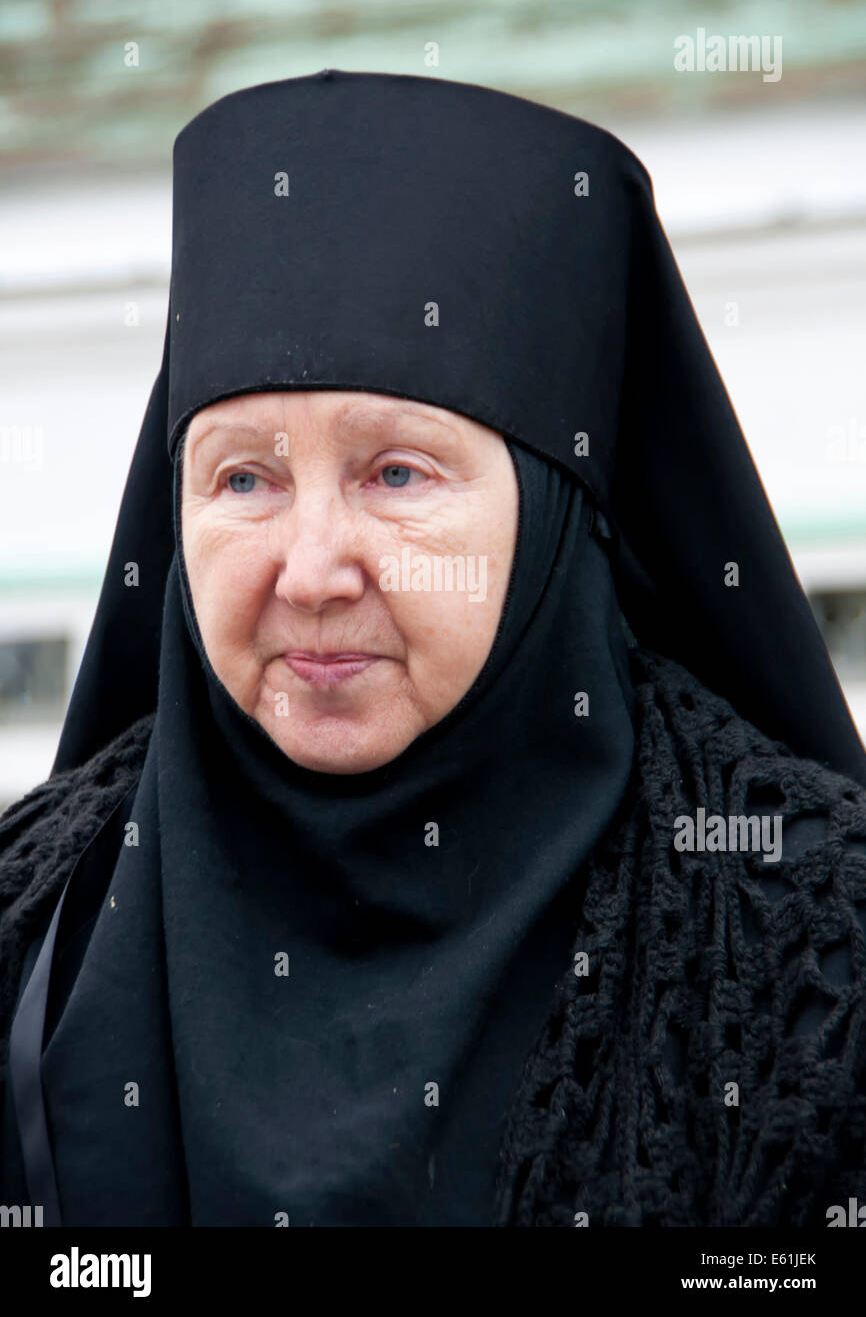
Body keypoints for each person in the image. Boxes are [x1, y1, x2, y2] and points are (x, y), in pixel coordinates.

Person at [1, 68, 865, 1229]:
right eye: (243, 477)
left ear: (558, 511)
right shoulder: (29, 919)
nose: (309, 571)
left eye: (395, 473)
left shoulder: (818, 951)